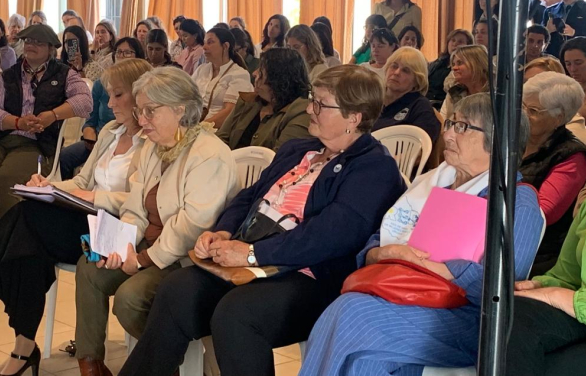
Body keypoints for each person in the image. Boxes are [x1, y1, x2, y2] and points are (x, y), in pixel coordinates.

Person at [119, 65, 406, 376]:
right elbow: (249, 196)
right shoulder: (300, 149)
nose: (310, 108)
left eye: (321, 104)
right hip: (252, 263)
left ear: (354, 117)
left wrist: (253, 253)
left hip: (310, 276)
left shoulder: (373, 168)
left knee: (238, 313)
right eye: (313, 99)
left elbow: (329, 237)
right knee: (179, 289)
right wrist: (222, 232)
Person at [0, 59, 153, 376]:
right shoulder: (110, 132)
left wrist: (93, 197)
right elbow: (82, 182)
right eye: (109, 94)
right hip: (82, 223)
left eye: (118, 95)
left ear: (140, 96)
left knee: (27, 217)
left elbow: (142, 201)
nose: (109, 104)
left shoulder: (151, 141)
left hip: (116, 235)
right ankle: (22, 350)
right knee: (29, 243)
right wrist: (50, 186)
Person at [299, 93, 543, 376]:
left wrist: (423, 264)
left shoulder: (515, 203)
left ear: (498, 140)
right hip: (401, 293)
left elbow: (500, 288)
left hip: (466, 318)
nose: (448, 133)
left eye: (462, 127)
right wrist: (385, 253)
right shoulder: (435, 181)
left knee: (353, 312)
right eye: (450, 122)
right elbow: (380, 240)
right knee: (365, 359)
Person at [75, 67, 240, 376]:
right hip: (150, 248)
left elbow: (191, 226)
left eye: (151, 111)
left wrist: (140, 259)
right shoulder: (154, 146)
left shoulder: (209, 154)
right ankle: (90, 364)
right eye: (140, 111)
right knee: (89, 269)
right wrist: (121, 245)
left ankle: (167, 358)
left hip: (188, 261)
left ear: (180, 109)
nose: (142, 120)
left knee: (131, 298)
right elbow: (136, 206)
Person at [0, 23, 92, 263]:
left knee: (5, 182)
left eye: (38, 43)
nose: (30, 46)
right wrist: (17, 122)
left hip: (35, 144)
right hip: (0, 138)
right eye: (28, 42)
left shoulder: (64, 74)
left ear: (51, 49)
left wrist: (52, 115)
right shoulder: (8, 75)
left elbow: (84, 101)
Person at [507, 188, 586, 375]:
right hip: (583, 312)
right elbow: (567, 275)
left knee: (568, 367)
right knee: (511, 314)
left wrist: (567, 299)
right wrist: (541, 285)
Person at [521, 72, 586, 276]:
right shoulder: (511, 140)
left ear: (559, 118)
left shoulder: (572, 157)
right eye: (522, 106)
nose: (523, 114)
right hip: (494, 233)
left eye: (533, 110)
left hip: (535, 253)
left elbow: (543, 214)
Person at [55, 37, 144, 182]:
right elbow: (90, 120)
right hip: (100, 137)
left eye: (127, 52)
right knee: (64, 157)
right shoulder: (109, 128)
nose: (110, 104)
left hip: (102, 201)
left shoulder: (150, 140)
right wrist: (50, 189)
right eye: (119, 52)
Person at [216, 48, 311, 151]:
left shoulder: (301, 112)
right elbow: (220, 139)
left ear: (278, 78)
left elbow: (281, 158)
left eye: (261, 70)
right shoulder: (248, 101)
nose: (254, 73)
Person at [372, 46, 441, 145]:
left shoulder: (420, 107)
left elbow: (420, 151)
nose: (396, 73)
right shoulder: (373, 100)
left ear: (417, 80)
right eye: (394, 66)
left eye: (405, 71)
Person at [524, 57, 586, 147]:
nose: (527, 87)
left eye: (539, 84)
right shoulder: (517, 113)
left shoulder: (574, 128)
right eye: (524, 82)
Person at [192, 27, 252, 129]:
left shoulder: (239, 74)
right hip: (193, 124)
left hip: (216, 131)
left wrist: (199, 128)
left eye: (210, 42)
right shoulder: (202, 69)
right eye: (204, 43)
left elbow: (230, 112)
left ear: (225, 46)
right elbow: (185, 95)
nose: (204, 47)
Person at [427, 28, 474, 110]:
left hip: (443, 105)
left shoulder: (465, 69)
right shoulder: (437, 63)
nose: (455, 44)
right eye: (453, 40)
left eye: (460, 42)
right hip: (426, 101)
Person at [440, 44, 490, 120]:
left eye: (459, 63)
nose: (454, 68)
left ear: (477, 63)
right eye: (453, 64)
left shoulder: (495, 95)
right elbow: (444, 125)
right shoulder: (453, 93)